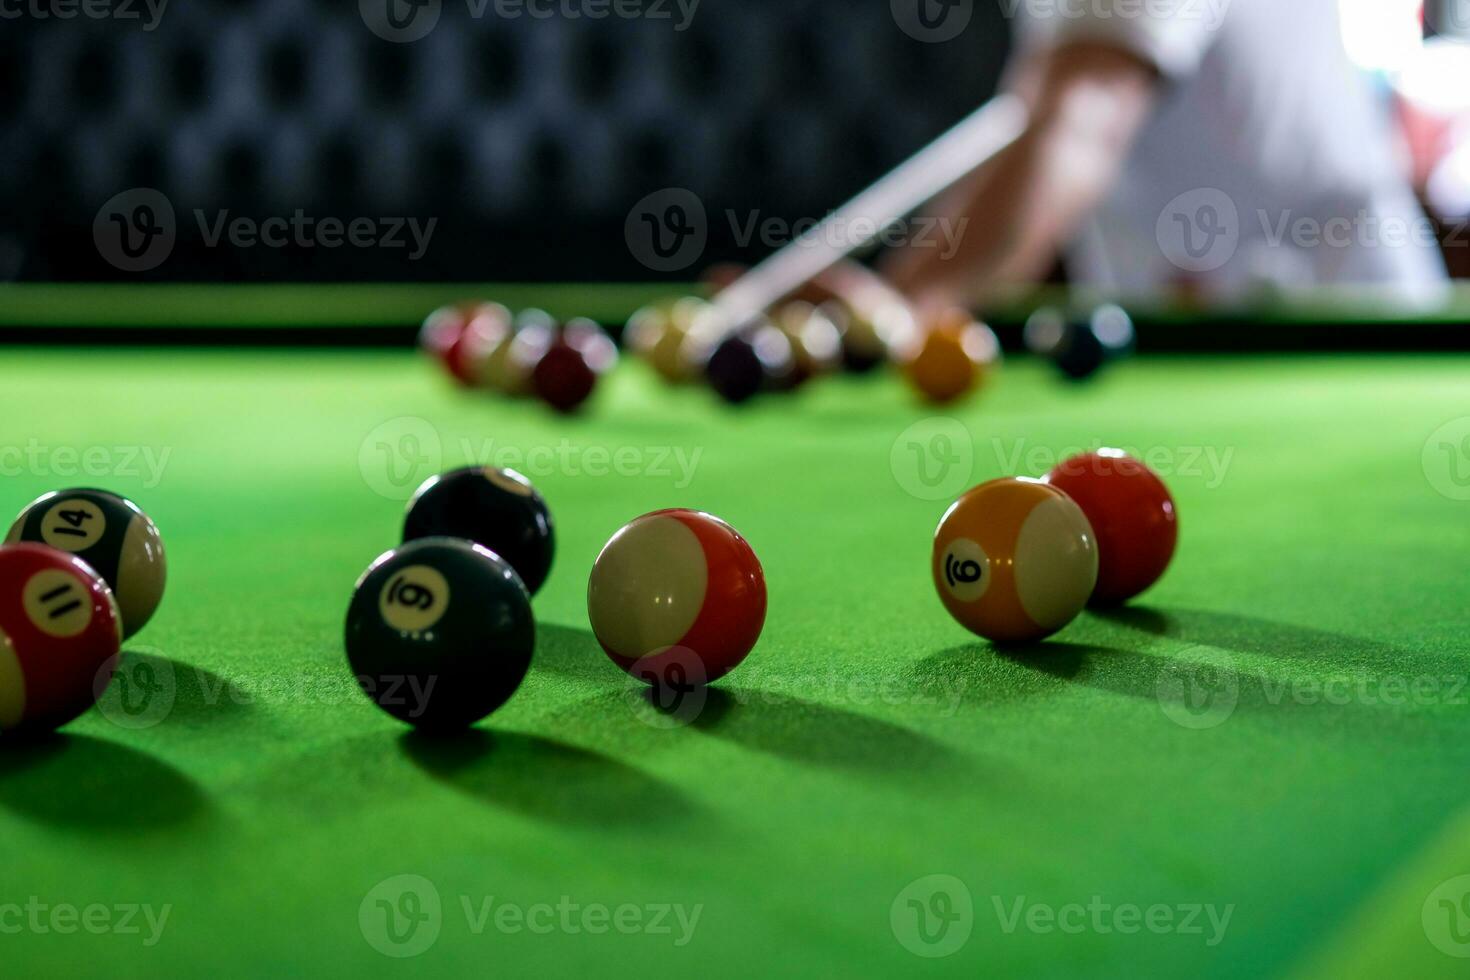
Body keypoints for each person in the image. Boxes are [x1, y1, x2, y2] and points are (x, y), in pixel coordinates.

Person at [878, 0, 1449, 312]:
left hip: (1341, 330)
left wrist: (904, 307)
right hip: (1177, 335)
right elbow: (1044, 123)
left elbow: (1079, 126)